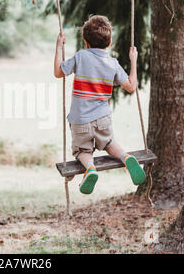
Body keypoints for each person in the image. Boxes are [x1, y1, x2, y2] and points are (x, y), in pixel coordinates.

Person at [54, 15, 146, 194]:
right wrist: (133, 60)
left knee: (83, 151)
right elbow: (131, 86)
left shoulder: (81, 56)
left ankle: (90, 169)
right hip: (102, 118)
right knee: (110, 143)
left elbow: (58, 72)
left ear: (85, 42)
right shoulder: (112, 63)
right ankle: (126, 157)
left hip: (80, 120)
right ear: (110, 42)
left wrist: (59, 46)